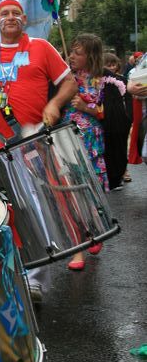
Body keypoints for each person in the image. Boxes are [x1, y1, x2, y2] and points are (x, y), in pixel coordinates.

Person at [0, 0, 77, 302]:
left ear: (24, 20)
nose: (9, 18)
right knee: (3, 211)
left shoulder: (41, 47)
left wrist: (54, 103)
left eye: (15, 14)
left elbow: (69, 83)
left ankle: (36, 280)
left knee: (37, 206)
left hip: (31, 136)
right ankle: (10, 272)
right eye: (4, 14)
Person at [62, 33, 108, 270]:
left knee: (90, 191)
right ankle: (78, 250)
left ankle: (96, 232)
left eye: (77, 53)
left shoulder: (104, 81)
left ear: (90, 56)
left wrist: (86, 107)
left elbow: (106, 112)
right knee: (72, 191)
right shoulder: (66, 78)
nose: (71, 56)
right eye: (71, 51)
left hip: (91, 140)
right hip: (68, 137)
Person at [102, 52, 132, 188]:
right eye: (108, 65)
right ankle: (113, 175)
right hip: (106, 118)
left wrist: (128, 118)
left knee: (121, 146)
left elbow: (128, 99)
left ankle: (122, 171)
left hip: (120, 118)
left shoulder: (121, 80)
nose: (111, 67)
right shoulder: (99, 80)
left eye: (113, 65)